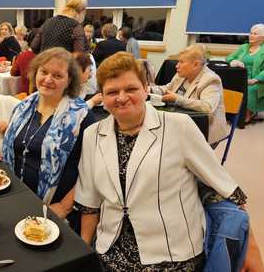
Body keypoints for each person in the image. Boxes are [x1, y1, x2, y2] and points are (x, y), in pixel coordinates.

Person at [75, 52, 262, 271]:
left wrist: (251, 247)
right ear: (102, 97)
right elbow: (90, 201)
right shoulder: (93, 134)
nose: (122, 97)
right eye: (112, 92)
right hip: (111, 249)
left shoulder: (179, 126)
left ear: (146, 89)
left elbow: (221, 184)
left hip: (172, 254)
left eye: (131, 89)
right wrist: (84, 252)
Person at [2, 47, 96, 233]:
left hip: (55, 213)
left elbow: (92, 172)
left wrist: (63, 206)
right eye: (43, 72)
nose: (48, 79)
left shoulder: (81, 117)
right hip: (15, 201)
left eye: (57, 75)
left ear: (69, 80)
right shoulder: (23, 107)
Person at [151, 44, 227, 146]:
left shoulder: (211, 80)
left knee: (166, 145)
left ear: (195, 64)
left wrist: (177, 99)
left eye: (181, 62)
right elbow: (168, 89)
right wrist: (149, 89)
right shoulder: (182, 74)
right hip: (182, 124)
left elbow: (207, 107)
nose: (177, 65)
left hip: (204, 130)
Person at [227, 23, 264, 123]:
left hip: (257, 81)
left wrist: (255, 79)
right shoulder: (244, 47)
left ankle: (247, 114)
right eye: (250, 33)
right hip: (240, 78)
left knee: (249, 90)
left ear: (262, 37)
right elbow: (229, 57)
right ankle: (230, 113)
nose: (251, 35)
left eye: (255, 34)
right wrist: (233, 62)